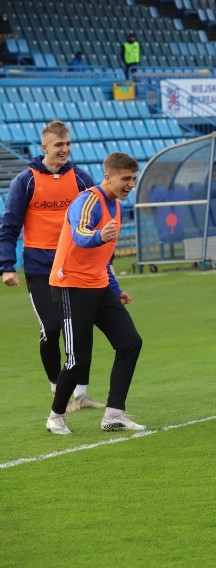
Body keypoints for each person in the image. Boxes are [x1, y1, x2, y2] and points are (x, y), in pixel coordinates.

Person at [0, 120, 102, 410]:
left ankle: (80, 395)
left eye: (68, 144)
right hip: (40, 269)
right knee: (52, 329)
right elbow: (9, 226)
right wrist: (7, 266)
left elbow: (97, 218)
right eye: (59, 145)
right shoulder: (26, 181)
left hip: (75, 267)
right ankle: (58, 390)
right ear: (44, 147)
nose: (64, 150)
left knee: (80, 328)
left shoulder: (81, 179)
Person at [45, 152, 145, 435]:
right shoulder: (88, 200)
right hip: (70, 287)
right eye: (126, 179)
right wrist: (99, 235)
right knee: (78, 359)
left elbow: (104, 258)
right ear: (108, 176)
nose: (130, 184)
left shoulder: (117, 206)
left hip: (99, 285)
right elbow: (80, 233)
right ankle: (55, 416)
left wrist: (116, 289)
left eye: (133, 179)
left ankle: (113, 414)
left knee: (130, 342)